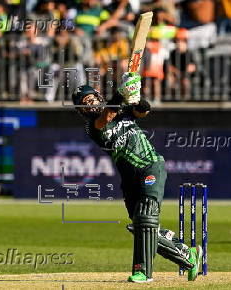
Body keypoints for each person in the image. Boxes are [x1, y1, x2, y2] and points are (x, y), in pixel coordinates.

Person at [72, 72, 202, 283]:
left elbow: (144, 110)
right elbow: (106, 117)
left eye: (91, 99)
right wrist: (120, 94)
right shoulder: (92, 127)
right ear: (81, 111)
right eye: (84, 104)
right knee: (141, 227)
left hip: (150, 165)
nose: (89, 104)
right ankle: (188, 256)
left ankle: (143, 272)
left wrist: (134, 97)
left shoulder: (122, 110)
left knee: (145, 217)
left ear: (98, 96)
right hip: (129, 179)